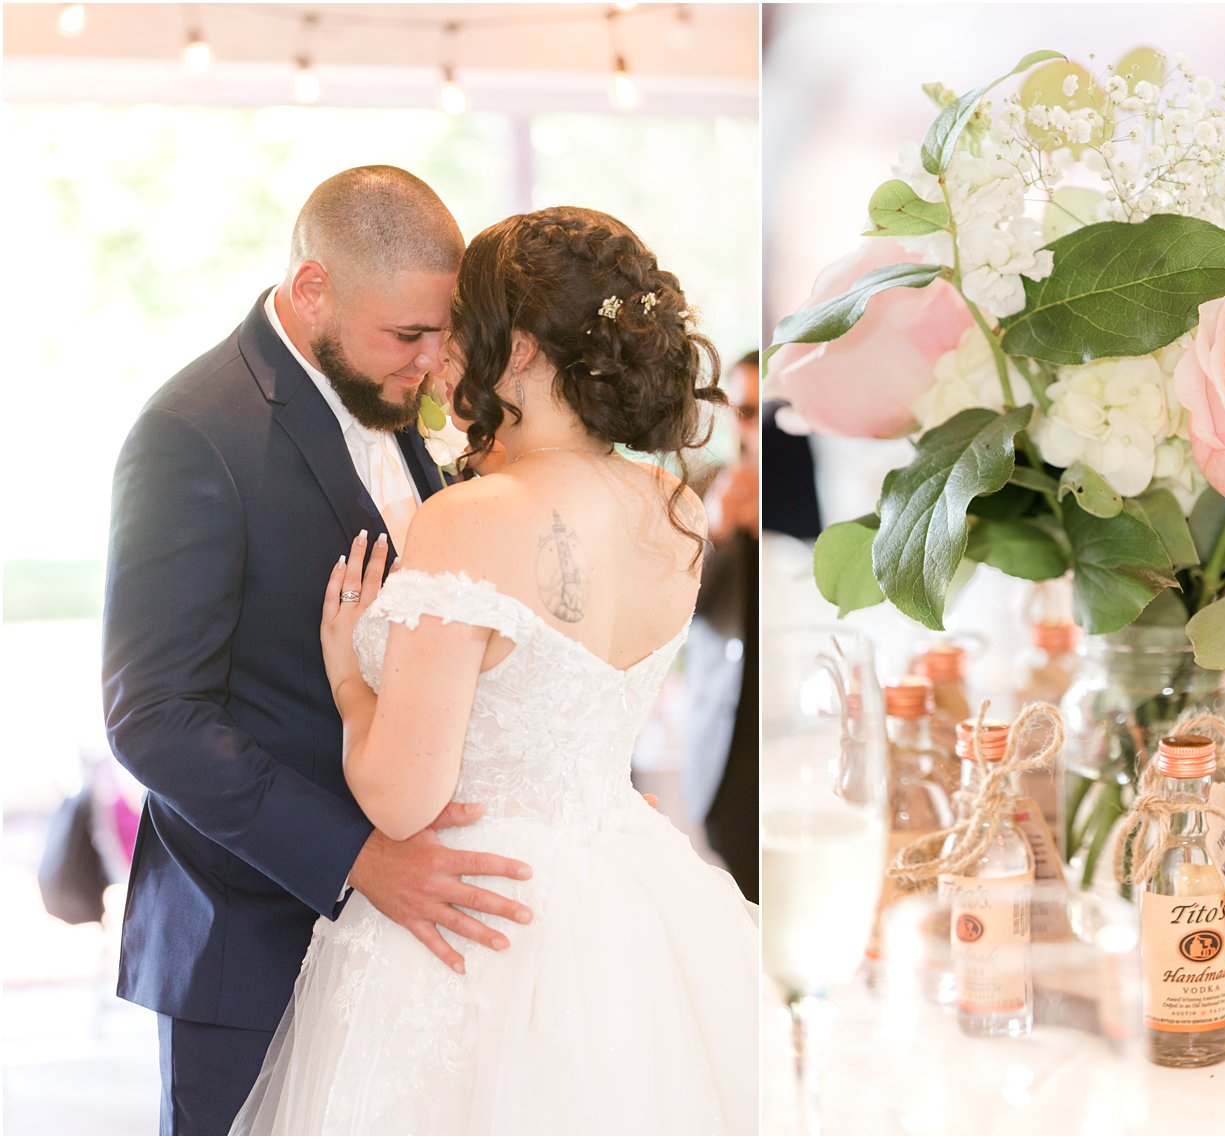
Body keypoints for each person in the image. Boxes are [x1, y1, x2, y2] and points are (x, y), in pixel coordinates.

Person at [231, 207, 759, 1134]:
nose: (438, 361)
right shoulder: (673, 505)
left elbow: (401, 798)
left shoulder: (472, 518)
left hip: (481, 912)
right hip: (626, 902)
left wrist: (351, 680)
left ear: (515, 349)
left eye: (457, 335)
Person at [102, 167, 534, 1136]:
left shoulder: (386, 400)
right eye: (408, 336)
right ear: (311, 290)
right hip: (250, 941)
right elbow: (153, 718)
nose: (432, 365)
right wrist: (356, 857)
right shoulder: (189, 432)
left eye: (440, 332)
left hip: (392, 954)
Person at [683, 350, 760, 901]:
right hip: (728, 728)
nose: (752, 426)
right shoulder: (704, 485)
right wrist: (721, 531)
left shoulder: (813, 483)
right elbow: (679, 609)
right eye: (746, 410)